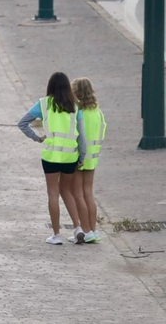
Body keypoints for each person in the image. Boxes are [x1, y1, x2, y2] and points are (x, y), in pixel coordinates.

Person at [18, 70, 87, 245]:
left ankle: (56, 235)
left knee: (53, 193)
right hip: (70, 156)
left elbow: (22, 123)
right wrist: (82, 156)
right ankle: (78, 227)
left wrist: (37, 137)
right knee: (67, 191)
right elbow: (82, 135)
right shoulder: (75, 106)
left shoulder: (44, 104)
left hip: (51, 155)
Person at [73, 77, 106, 243]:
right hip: (93, 158)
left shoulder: (79, 113)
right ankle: (93, 230)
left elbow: (78, 136)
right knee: (88, 193)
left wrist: (78, 156)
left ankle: (85, 231)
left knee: (78, 194)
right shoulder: (97, 112)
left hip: (80, 157)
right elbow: (103, 132)